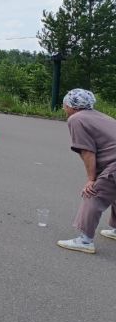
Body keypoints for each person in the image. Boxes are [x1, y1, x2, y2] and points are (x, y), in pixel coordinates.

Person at [57, 89, 116, 254]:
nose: (64, 108)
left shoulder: (76, 119)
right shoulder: (100, 116)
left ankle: (85, 240)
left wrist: (92, 179)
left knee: (93, 194)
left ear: (72, 106)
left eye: (65, 105)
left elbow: (87, 151)